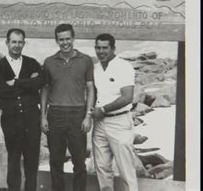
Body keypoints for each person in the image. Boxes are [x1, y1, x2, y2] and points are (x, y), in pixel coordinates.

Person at [40, 23, 95, 191]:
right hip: (55, 114)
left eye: (68, 39)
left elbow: (91, 88)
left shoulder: (86, 60)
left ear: (73, 38)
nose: (65, 43)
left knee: (79, 161)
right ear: (57, 40)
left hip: (78, 114)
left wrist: (88, 116)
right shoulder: (49, 62)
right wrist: (43, 116)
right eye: (61, 39)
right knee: (55, 161)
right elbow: (45, 90)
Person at [0, 28, 44, 191]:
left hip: (31, 118)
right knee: (13, 158)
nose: (16, 45)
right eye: (13, 42)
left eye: (20, 42)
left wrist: (15, 82)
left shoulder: (32, 62)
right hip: (10, 119)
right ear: (7, 43)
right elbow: (2, 91)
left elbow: (40, 82)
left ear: (24, 43)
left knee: (32, 159)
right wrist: (28, 83)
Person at [90, 33, 138, 191]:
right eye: (98, 47)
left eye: (105, 48)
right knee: (102, 168)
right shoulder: (95, 68)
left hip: (119, 122)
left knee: (126, 170)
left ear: (113, 48)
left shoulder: (124, 66)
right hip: (99, 124)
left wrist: (103, 109)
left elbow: (127, 97)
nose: (101, 51)